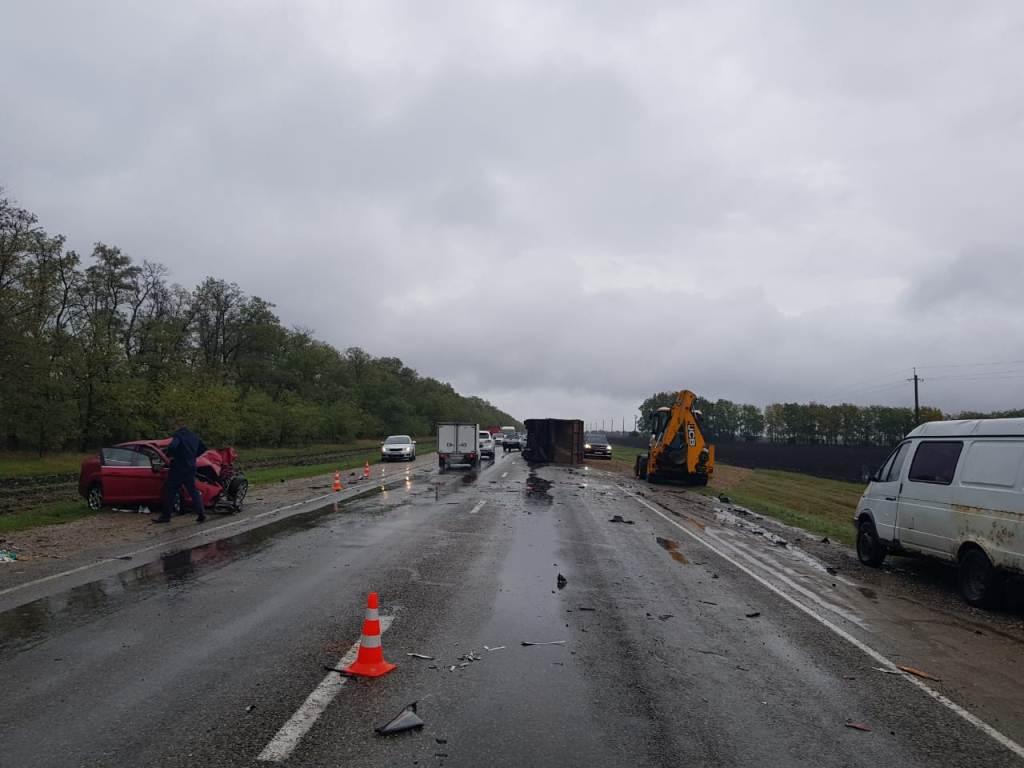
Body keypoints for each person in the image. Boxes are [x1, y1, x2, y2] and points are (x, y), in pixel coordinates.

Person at [153, 417, 208, 524]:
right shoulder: (194, 436)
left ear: (178, 425)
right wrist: (192, 457)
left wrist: (169, 456)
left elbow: (173, 447)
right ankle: (201, 514)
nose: (174, 427)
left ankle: (166, 516)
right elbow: (203, 448)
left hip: (178, 467)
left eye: (174, 425)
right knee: (193, 491)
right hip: (191, 467)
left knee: (170, 491)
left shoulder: (178, 435)